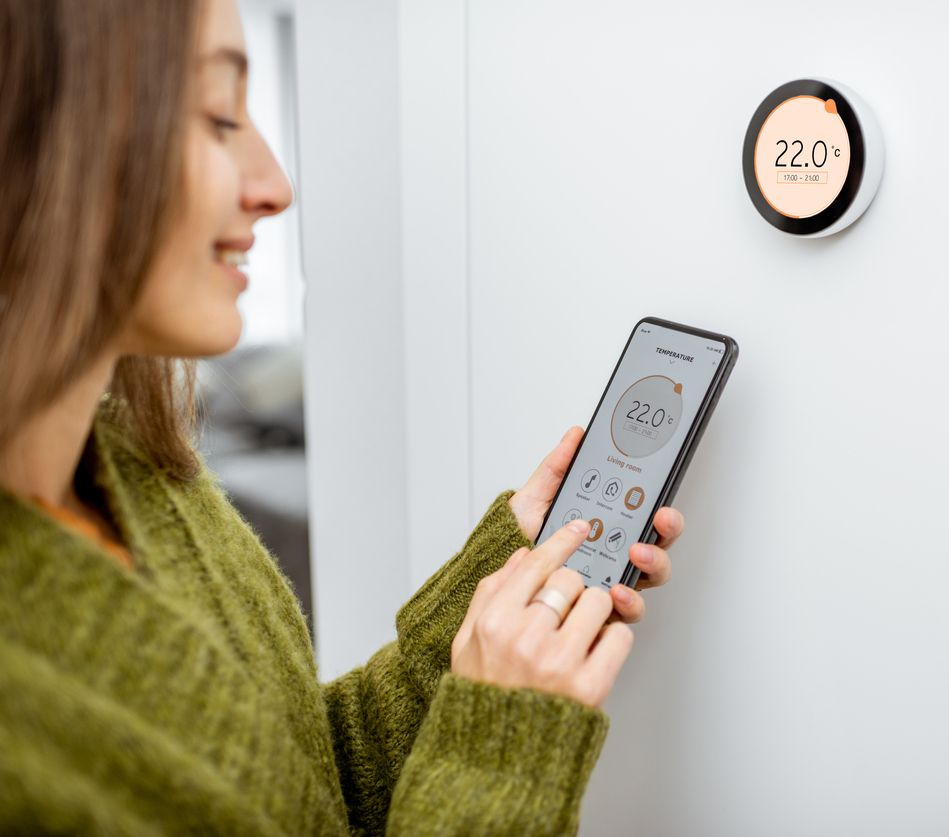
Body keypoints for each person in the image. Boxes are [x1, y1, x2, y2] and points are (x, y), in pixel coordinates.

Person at [0, 0, 685, 833]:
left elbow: (300, 790)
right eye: (218, 115)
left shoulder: (144, 475)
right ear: (36, 139)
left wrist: (490, 614)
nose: (276, 186)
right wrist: (500, 749)